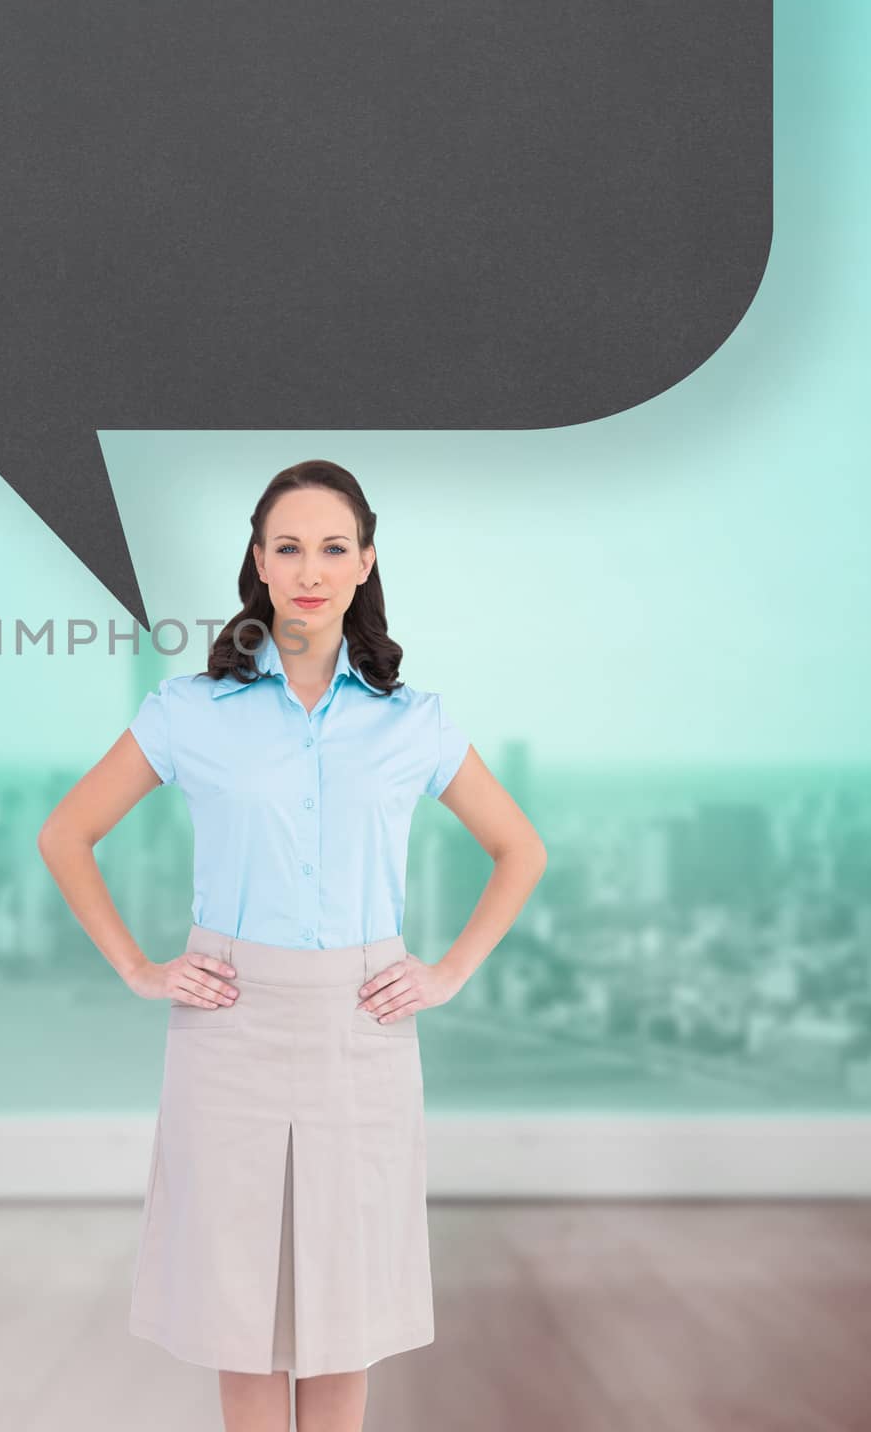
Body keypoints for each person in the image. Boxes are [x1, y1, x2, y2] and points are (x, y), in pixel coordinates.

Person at [37, 459, 547, 1432]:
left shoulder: (411, 720)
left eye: (330, 547)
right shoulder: (190, 709)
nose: (308, 568)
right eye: (287, 546)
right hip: (226, 1029)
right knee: (242, 1329)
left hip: (362, 1029)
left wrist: (446, 972)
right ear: (258, 564)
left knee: (341, 1329)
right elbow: (65, 833)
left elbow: (520, 847)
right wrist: (139, 968)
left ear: (364, 563)